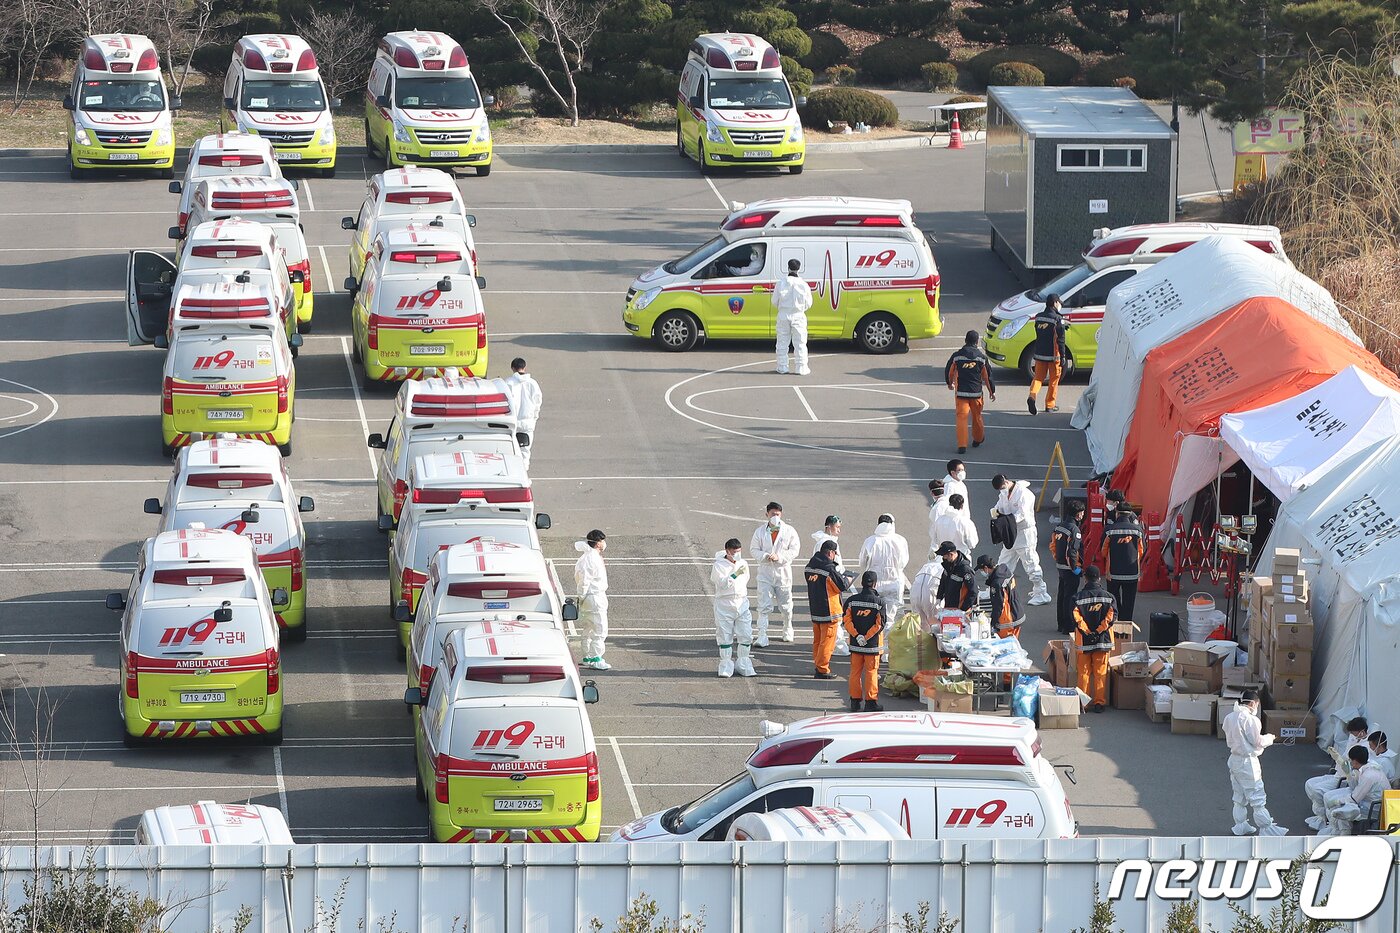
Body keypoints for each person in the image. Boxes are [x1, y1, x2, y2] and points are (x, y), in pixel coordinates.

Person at [1220, 689, 1288, 836]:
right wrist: (1269, 738)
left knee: (1239, 797)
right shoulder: (1251, 720)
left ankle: (1241, 825)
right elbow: (1257, 742)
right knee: (1257, 797)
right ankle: (1266, 829)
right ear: (1253, 703)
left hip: (1234, 759)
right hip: (1247, 762)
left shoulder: (1229, 717)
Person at [991, 474, 1052, 605]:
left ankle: (1041, 593)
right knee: (1004, 561)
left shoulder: (1024, 494)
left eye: (1002, 488)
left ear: (1007, 482)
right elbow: (1000, 505)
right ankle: (999, 587)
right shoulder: (1004, 493)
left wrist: (1005, 520)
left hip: (1024, 533)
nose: (1002, 491)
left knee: (1030, 563)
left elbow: (1021, 515)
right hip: (1011, 532)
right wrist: (996, 512)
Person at [750, 501, 801, 647]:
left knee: (785, 604)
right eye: (772, 514)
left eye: (777, 514)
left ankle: (787, 628)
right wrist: (765, 555)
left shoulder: (789, 531)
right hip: (765, 572)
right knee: (763, 604)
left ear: (781, 514)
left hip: (782, 572)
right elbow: (754, 549)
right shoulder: (760, 532)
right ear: (767, 515)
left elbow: (795, 549)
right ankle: (762, 635)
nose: (775, 517)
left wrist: (780, 557)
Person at [1305, 716, 1371, 829]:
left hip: (1345, 776)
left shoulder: (1365, 747)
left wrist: (1341, 763)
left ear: (1362, 731)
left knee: (1318, 791)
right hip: (1338, 772)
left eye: (1354, 732)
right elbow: (1347, 756)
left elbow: (1355, 767)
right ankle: (1320, 816)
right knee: (1309, 783)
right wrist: (1337, 757)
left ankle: (1328, 820)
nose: (1352, 735)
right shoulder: (1354, 738)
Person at [804, 540, 850, 680]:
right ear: (830, 552)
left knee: (817, 640)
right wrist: (846, 579)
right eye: (835, 553)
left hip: (815, 608)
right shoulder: (829, 569)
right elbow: (841, 586)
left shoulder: (809, 567)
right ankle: (822, 668)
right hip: (829, 610)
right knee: (828, 641)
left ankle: (818, 664)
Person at [1317, 746, 1389, 836]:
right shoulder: (1367, 767)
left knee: (1340, 811)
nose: (1350, 763)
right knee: (1330, 797)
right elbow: (1354, 787)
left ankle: (1344, 834)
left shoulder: (1369, 775)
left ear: (1355, 761)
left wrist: (1337, 801)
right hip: (1366, 799)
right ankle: (1335, 829)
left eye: (1351, 760)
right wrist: (1349, 774)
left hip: (1372, 808)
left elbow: (1355, 798)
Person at [944, 331, 996, 454]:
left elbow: (949, 370)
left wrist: (949, 383)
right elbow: (987, 376)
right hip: (976, 394)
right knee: (977, 417)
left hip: (961, 393)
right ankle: (978, 439)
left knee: (961, 418)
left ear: (965, 340)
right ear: (976, 342)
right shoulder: (982, 358)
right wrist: (991, 391)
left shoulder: (957, 356)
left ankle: (962, 445)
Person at [710, 538, 755, 679]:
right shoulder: (719, 565)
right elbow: (723, 584)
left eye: (739, 551)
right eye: (734, 552)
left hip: (741, 602)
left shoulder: (743, 563)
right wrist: (735, 574)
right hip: (725, 604)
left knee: (746, 634)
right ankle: (726, 665)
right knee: (725, 636)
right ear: (727, 551)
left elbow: (745, 580)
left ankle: (744, 663)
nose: (737, 554)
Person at [1072, 565, 1115, 712]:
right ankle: (1099, 703)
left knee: (1083, 673)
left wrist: (1087, 632)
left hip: (1084, 642)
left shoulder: (1077, 598)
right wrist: (1098, 631)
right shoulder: (1109, 598)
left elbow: (1076, 618)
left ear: (1085, 579)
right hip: (1102, 641)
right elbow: (1110, 618)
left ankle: (1082, 704)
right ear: (1099, 578)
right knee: (1100, 673)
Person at [843, 571, 886, 712]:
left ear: (861, 583)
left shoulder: (851, 601)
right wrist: (866, 637)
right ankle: (870, 702)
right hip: (872, 647)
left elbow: (846, 621)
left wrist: (857, 636)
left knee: (855, 672)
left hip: (855, 645)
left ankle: (855, 702)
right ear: (875, 584)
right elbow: (880, 624)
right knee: (871, 673)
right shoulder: (879, 603)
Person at [811, 515, 852, 657]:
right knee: (834, 618)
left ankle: (834, 645)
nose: (839, 530)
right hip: (830, 584)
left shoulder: (828, 541)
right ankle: (838, 646)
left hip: (828, 581)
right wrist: (842, 578)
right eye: (837, 527)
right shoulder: (826, 542)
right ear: (828, 526)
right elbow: (831, 565)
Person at [858, 514, 909, 626]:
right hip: (894, 583)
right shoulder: (900, 540)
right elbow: (904, 562)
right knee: (890, 618)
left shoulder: (871, 541)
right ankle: (889, 642)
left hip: (874, 584)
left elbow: (862, 561)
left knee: (873, 617)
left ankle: (875, 641)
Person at [1101, 492, 1145, 624]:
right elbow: (1142, 550)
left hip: (1113, 572)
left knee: (1113, 599)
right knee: (1129, 600)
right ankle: (1127, 624)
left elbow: (1103, 550)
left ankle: (1115, 621)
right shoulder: (1138, 530)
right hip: (1132, 573)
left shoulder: (1109, 530)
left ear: (1117, 513)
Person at [574, 530, 611, 671]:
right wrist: (582, 596)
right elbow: (584, 582)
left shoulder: (588, 557)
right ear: (597, 543)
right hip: (594, 597)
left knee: (589, 628)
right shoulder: (591, 559)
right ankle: (596, 659)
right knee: (600, 630)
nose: (604, 543)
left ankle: (587, 656)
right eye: (602, 541)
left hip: (591, 597)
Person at [1027, 294, 1067, 415]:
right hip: (1054, 355)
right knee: (1054, 380)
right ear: (1055, 303)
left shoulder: (1038, 317)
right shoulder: (1058, 319)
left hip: (1039, 353)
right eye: (1059, 302)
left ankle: (1032, 397)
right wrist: (1063, 356)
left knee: (1038, 378)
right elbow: (1061, 340)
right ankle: (1050, 405)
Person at [1049, 500, 1085, 635]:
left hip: (1060, 566)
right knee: (1070, 597)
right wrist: (1075, 568)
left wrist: (1058, 559)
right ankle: (1068, 626)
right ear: (1078, 514)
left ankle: (1061, 624)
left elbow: (1052, 545)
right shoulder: (1074, 530)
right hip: (1070, 569)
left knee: (1062, 595)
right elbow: (1072, 551)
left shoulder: (1059, 527)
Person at [775, 258, 813, 376]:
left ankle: (782, 367)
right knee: (800, 342)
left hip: (783, 314)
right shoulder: (804, 285)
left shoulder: (781, 283)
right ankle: (801, 368)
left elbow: (774, 301)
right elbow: (809, 303)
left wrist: (783, 308)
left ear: (788, 267)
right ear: (799, 268)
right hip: (798, 315)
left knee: (782, 342)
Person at [504, 357, 542, 470]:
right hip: (527, 423)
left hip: (511, 422)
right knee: (525, 451)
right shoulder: (533, 383)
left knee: (512, 451)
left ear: (512, 368)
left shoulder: (508, 383)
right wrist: (534, 417)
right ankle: (524, 474)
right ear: (524, 367)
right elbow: (538, 402)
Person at [976, 555, 1022, 639]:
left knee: (1005, 647)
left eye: (981, 569)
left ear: (986, 568)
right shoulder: (1004, 571)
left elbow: (998, 605)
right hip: (1017, 612)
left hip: (1007, 621)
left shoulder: (996, 583)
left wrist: (993, 623)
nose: (982, 572)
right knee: (1014, 646)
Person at [934, 542, 975, 610]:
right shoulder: (948, 565)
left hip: (960, 608)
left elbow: (973, 591)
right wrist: (939, 597)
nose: (943, 558)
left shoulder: (965, 570)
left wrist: (963, 609)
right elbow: (943, 582)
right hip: (949, 606)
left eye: (944, 556)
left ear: (951, 554)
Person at [910, 547, 942, 629]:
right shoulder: (941, 567)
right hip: (929, 595)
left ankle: (921, 641)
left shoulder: (925, 566)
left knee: (920, 623)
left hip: (915, 595)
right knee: (935, 623)